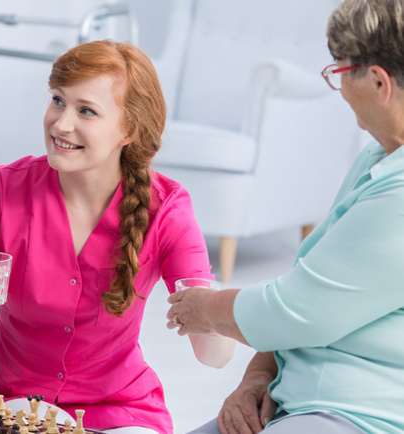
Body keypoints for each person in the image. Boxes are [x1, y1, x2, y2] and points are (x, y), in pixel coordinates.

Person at [0, 40, 236, 434]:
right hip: (6, 405)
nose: (61, 123)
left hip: (118, 411)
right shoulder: (5, 189)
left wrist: (210, 306)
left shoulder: (167, 207)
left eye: (86, 110)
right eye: (58, 100)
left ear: (130, 130)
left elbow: (214, 357)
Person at [167, 1, 404, 433]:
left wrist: (205, 308)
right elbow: (314, 285)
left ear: (378, 81)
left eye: (339, 74)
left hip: (358, 413)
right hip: (295, 396)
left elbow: (300, 309)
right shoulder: (378, 156)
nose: (341, 90)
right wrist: (258, 376)